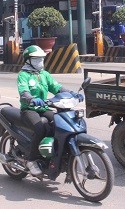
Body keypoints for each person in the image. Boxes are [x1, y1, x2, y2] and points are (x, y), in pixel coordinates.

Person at [17, 45, 84, 176]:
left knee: (59, 124)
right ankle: (31, 160)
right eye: (37, 59)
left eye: (41, 59)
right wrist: (31, 99)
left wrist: (72, 93)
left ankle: (52, 154)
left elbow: (56, 87)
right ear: (28, 60)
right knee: (40, 128)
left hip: (43, 108)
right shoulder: (23, 75)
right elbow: (24, 92)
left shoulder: (44, 74)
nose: (40, 61)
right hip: (29, 109)